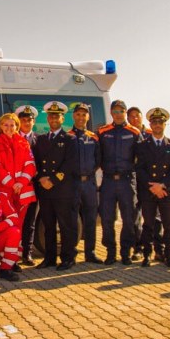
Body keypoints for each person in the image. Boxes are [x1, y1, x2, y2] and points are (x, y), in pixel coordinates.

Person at [33, 101, 80, 271]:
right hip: (45, 191)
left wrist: (52, 180)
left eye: (57, 115)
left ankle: (68, 258)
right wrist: (40, 178)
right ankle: (49, 258)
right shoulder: (42, 139)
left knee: (67, 226)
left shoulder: (70, 139)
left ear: (62, 118)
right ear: (47, 118)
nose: (54, 118)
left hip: (63, 190)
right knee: (48, 227)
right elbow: (36, 162)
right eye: (51, 115)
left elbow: (70, 164)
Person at [98, 100, 143, 265]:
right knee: (107, 219)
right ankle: (110, 253)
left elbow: (141, 158)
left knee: (129, 219)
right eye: (115, 111)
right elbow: (97, 156)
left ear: (125, 113)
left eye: (121, 111)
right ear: (111, 113)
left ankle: (126, 252)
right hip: (108, 181)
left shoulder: (134, 132)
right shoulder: (103, 132)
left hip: (127, 181)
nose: (118, 114)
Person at [135, 108, 170, 268]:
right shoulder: (142, 145)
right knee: (148, 225)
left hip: (166, 191)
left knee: (168, 225)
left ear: (165, 124)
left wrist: (162, 185)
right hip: (149, 191)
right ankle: (147, 255)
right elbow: (139, 168)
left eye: (160, 122)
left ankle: (168, 256)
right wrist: (153, 186)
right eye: (154, 122)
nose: (157, 125)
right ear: (150, 124)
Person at [0, 112, 37, 225]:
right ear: (0, 126)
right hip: (4, 190)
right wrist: (12, 183)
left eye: (12, 125)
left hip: (22, 190)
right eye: (6, 125)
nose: (9, 128)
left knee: (19, 222)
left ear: (17, 126)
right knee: (4, 222)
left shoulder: (23, 143)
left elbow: (30, 165)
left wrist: (21, 183)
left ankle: (17, 243)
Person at [69, 103, 102, 264]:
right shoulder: (67, 136)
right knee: (72, 220)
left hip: (89, 183)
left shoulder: (94, 137)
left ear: (88, 117)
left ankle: (91, 252)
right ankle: (72, 253)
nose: (81, 117)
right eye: (78, 114)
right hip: (72, 184)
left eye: (84, 114)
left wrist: (88, 172)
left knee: (90, 219)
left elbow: (98, 160)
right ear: (73, 116)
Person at [16, 105, 39, 266]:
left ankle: (27, 253)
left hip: (34, 188)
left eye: (29, 120)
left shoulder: (40, 140)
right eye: (23, 120)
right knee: (15, 221)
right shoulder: (13, 138)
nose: (26, 122)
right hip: (16, 187)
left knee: (30, 222)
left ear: (33, 121)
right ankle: (13, 252)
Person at [127, 106, 151, 260]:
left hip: (149, 181)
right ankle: (138, 248)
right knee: (135, 216)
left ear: (142, 117)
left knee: (153, 216)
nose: (135, 119)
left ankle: (157, 247)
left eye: (137, 115)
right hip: (133, 181)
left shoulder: (151, 133)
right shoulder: (128, 133)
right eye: (132, 116)